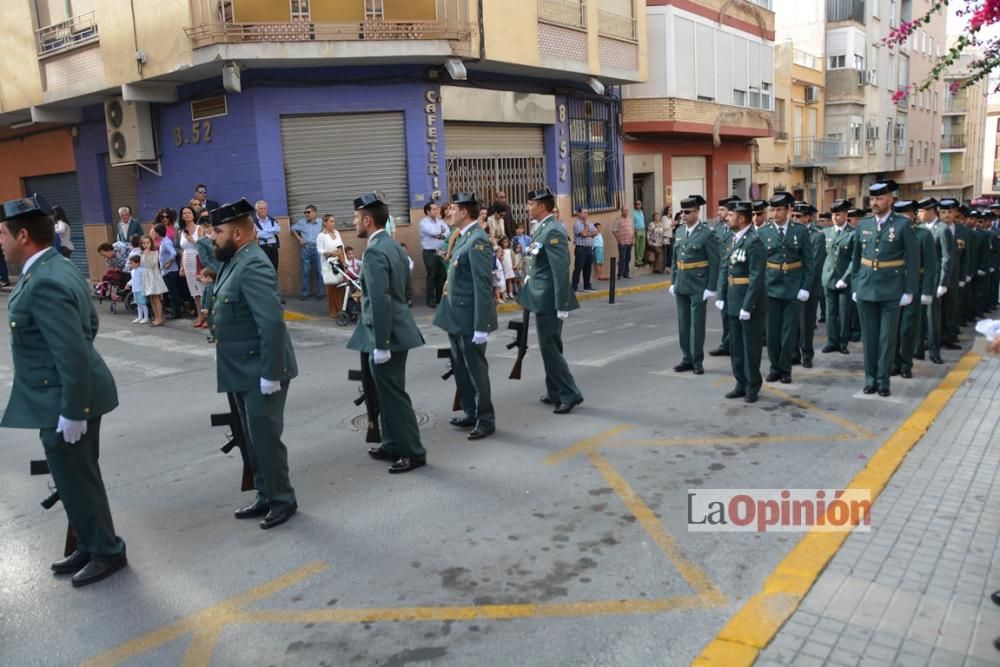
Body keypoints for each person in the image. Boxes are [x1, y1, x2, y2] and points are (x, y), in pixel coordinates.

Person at [0, 194, 127, 587]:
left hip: (66, 399)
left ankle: (107, 551)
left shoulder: (46, 280)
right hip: (62, 394)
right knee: (73, 477)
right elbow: (88, 324)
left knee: (78, 478)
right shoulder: (54, 267)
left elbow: (72, 350)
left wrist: (73, 411)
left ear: (23, 235)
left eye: (2, 234)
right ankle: (90, 543)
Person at [210, 199, 298, 528]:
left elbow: (271, 324)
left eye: (217, 231)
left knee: (265, 438)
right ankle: (265, 493)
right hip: (241, 369)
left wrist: (271, 373)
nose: (212, 237)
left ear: (237, 233)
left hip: (261, 369)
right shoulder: (235, 260)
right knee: (250, 437)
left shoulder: (254, 264)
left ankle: (282, 499)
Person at [348, 191, 427, 473]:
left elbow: (380, 299)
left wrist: (381, 343)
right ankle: (392, 443)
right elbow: (404, 291)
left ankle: (413, 451)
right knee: (386, 393)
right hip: (395, 329)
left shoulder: (374, 251)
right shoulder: (393, 246)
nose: (354, 222)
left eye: (357, 218)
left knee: (394, 396)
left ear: (368, 220)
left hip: (387, 336)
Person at [433, 192, 497, 440]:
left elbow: (482, 286)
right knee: (460, 367)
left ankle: (486, 418)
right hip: (455, 315)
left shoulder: (477, 241)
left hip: (470, 318)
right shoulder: (461, 237)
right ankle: (470, 411)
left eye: (453, 209)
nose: (449, 212)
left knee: (475, 370)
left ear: (465, 212)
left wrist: (481, 326)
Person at [517, 187, 584, 413]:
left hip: (548, 300)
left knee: (550, 347)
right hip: (539, 296)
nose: (528, 207)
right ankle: (555, 390)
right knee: (550, 346)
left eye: (530, 204)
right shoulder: (542, 228)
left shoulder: (553, 230)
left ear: (542, 206)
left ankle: (570, 393)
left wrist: (561, 303)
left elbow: (559, 269)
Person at [851, 180, 919, 397]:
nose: (875, 202)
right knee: (869, 338)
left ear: (890, 199)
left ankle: (883, 381)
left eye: (879, 198)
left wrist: (909, 291)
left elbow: (913, 260)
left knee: (887, 338)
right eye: (872, 198)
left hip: (892, 289)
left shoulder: (902, 224)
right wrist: (855, 283)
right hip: (866, 287)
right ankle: (870, 379)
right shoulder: (864, 224)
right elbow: (855, 258)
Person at [757, 192, 815, 384]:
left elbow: (808, 262)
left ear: (789, 210)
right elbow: (758, 265)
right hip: (770, 286)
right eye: (773, 209)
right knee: (772, 332)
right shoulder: (763, 232)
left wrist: (805, 287)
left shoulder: (800, 231)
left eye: (780, 209)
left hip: (793, 286)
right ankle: (774, 367)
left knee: (789, 332)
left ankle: (786, 368)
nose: (775, 213)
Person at [715, 201, 766, 403]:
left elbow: (757, 277)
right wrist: (720, 295)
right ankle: (740, 383)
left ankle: (753, 385)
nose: (727, 217)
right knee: (736, 346)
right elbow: (724, 268)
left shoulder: (754, 242)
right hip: (732, 300)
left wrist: (748, 306)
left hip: (748, 303)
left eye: (731, 215)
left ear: (742, 218)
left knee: (750, 348)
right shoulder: (732, 240)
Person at [669, 195, 721, 375]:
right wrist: (673, 281)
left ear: (697, 212)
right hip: (682, 283)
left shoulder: (707, 233)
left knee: (696, 325)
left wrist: (711, 287)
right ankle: (686, 358)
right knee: (683, 324)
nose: (683, 215)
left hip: (699, 284)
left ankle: (697, 360)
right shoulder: (680, 231)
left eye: (687, 212)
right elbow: (675, 258)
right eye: (682, 211)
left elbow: (715, 261)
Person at [893, 200, 937, 379]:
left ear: (913, 215)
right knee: (892, 330)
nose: (902, 218)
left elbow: (931, 266)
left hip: (915, 286)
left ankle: (906, 364)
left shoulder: (923, 235)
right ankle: (894, 363)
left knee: (907, 329)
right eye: (899, 215)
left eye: (906, 214)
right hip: (893, 287)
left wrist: (927, 291)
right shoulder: (892, 233)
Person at [821, 199, 856, 355]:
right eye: (833, 214)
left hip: (844, 278)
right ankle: (831, 340)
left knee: (843, 312)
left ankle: (843, 342)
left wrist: (846, 278)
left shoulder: (853, 232)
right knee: (830, 311)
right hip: (829, 277)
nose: (835, 217)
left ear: (845, 215)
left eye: (838, 214)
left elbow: (855, 259)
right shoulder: (826, 232)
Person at [793, 202, 825, 368]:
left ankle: (807, 354)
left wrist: (804, 285)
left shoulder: (817, 235)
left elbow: (814, 264)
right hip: (790, 284)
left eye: (799, 216)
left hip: (808, 286)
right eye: (793, 216)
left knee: (806, 322)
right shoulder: (791, 233)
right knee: (792, 322)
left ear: (808, 217)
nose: (795, 219)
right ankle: (793, 353)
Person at [932, 198, 962, 353]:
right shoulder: (936, 229)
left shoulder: (963, 231)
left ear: (956, 213)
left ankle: (949, 337)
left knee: (951, 308)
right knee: (936, 311)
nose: (947, 215)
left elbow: (966, 256)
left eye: (950, 212)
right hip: (938, 276)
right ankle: (934, 338)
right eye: (943, 212)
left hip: (955, 276)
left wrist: (965, 275)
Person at [178, 206, 206, 327]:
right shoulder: (182, 231)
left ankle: (207, 317)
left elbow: (204, 246)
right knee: (195, 292)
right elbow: (183, 250)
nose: (187, 215)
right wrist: (182, 267)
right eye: (184, 213)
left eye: (189, 213)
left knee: (203, 289)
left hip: (198, 260)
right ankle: (200, 316)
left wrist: (192, 240)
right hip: (187, 261)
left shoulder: (200, 228)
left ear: (193, 215)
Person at [419, 202, 449, 307]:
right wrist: (440, 233)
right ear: (428, 211)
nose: (436, 211)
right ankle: (430, 299)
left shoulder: (440, 221)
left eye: (437, 209)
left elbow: (447, 233)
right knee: (432, 275)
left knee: (441, 274)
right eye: (433, 209)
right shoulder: (423, 223)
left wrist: (440, 234)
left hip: (440, 250)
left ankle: (439, 298)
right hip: (429, 251)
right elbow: (432, 232)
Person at [291, 204, 323, 300]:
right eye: (305, 212)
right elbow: (292, 228)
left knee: (319, 271)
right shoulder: (302, 222)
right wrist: (299, 238)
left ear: (314, 213)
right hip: (306, 249)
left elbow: (328, 226)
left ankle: (320, 293)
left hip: (317, 248)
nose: (306, 214)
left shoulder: (320, 222)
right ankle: (305, 293)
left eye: (308, 212)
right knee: (305, 272)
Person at [317, 213, 346, 318]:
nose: (333, 223)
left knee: (341, 285)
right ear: (325, 223)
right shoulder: (321, 235)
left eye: (334, 221)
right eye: (331, 221)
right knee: (332, 286)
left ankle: (342, 309)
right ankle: (334, 311)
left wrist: (344, 261)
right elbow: (320, 250)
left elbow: (341, 247)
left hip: (339, 262)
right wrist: (330, 252)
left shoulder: (337, 233)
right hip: (328, 264)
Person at [151, 223, 182, 320]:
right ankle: (175, 310)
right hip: (166, 271)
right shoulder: (163, 242)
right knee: (171, 292)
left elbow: (173, 253)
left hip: (170, 271)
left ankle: (176, 312)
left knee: (173, 292)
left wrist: (169, 262)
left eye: (154, 232)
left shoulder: (166, 242)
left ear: (158, 233)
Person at [139, 235, 167, 326]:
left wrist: (147, 255)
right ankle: (156, 317)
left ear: (151, 243)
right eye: (143, 243)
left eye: (148, 242)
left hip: (154, 276)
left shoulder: (154, 252)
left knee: (156, 297)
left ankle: (160, 318)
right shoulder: (142, 253)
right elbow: (142, 265)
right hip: (147, 276)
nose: (146, 245)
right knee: (151, 298)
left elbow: (153, 264)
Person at [571, 208, 597, 292]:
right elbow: (583, 234)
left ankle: (587, 285)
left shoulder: (590, 222)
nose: (586, 214)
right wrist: (586, 227)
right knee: (578, 267)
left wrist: (588, 233)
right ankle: (574, 287)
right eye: (584, 213)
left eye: (587, 213)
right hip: (581, 248)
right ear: (579, 214)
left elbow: (596, 233)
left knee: (588, 267)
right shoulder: (577, 224)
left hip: (589, 248)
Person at [254, 200, 281, 270]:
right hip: (262, 247)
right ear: (256, 210)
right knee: (264, 269)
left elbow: (278, 230)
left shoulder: (272, 220)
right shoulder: (253, 221)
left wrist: (264, 231)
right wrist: (271, 232)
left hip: (273, 247)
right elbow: (258, 234)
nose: (263, 210)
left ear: (267, 209)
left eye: (264, 208)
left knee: (274, 268)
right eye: (260, 208)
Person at [125, 254, 148, 324]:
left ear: (137, 263)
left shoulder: (142, 270)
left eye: (132, 263)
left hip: (141, 290)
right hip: (135, 290)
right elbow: (133, 279)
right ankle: (140, 316)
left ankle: (146, 317)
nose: (130, 265)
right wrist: (128, 284)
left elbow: (145, 279)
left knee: (143, 304)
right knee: (138, 304)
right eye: (130, 263)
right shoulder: (133, 271)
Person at [613, 207, 635, 279]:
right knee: (622, 258)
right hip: (622, 242)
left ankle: (626, 273)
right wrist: (619, 240)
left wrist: (633, 239)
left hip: (630, 241)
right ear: (621, 211)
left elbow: (632, 229)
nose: (625, 212)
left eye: (627, 211)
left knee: (628, 258)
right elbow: (614, 231)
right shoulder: (618, 220)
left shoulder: (630, 219)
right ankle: (620, 274)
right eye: (624, 211)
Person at [632, 200, 647, 269]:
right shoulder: (632, 212)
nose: (638, 205)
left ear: (641, 205)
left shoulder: (641, 211)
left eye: (639, 204)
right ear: (634, 205)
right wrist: (634, 229)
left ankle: (640, 259)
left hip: (643, 229)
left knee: (642, 245)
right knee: (637, 246)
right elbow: (632, 222)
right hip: (637, 230)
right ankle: (637, 260)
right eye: (636, 204)